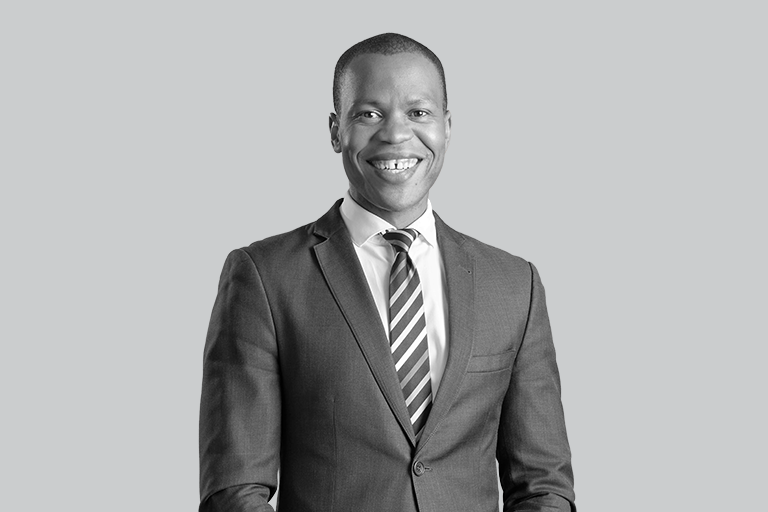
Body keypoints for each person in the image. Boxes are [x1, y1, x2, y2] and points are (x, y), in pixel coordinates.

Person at [199, 33, 575, 512]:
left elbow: (543, 487)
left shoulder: (514, 284)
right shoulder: (264, 278)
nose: (396, 134)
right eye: (369, 114)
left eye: (418, 112)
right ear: (335, 130)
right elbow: (234, 491)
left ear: (447, 127)